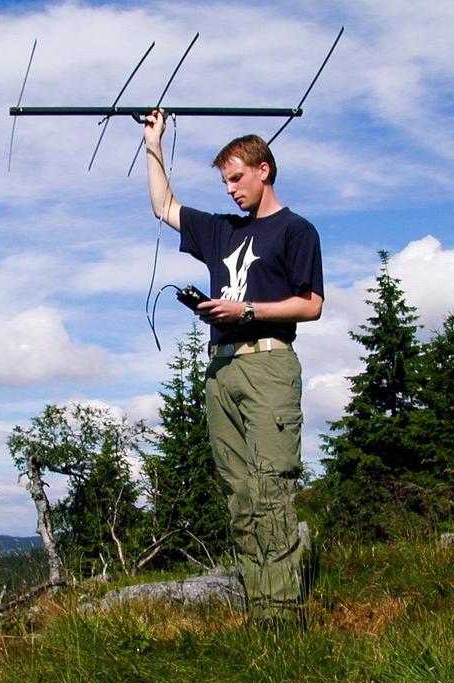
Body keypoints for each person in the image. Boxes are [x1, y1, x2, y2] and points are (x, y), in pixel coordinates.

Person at [143, 109, 324, 623]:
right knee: (239, 494)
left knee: (271, 488)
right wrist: (152, 143)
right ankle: (259, 604)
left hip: (268, 364)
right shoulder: (222, 232)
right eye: (224, 182)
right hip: (220, 372)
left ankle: (283, 617)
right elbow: (164, 205)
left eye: (237, 178)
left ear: (264, 170)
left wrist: (245, 310)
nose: (230, 190)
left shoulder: (296, 231)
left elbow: (311, 304)